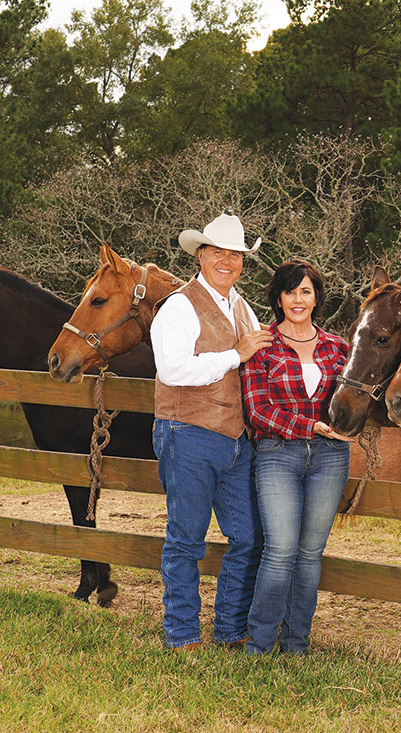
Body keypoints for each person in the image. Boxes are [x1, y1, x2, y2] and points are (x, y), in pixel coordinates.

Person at [150, 213, 273, 651]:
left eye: (235, 255)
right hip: (187, 433)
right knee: (186, 538)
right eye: (217, 252)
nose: (227, 261)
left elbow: (263, 361)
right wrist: (235, 354)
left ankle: (229, 630)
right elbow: (173, 369)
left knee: (249, 536)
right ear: (200, 255)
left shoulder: (243, 306)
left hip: (236, 441)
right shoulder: (179, 306)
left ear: (243, 261)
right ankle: (181, 635)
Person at [241, 259, 352, 656]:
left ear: (317, 297)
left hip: (331, 457)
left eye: (306, 291)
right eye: (291, 291)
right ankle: (259, 643)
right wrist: (310, 427)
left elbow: (356, 398)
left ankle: (295, 644)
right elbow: (257, 411)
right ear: (278, 298)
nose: (298, 299)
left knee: (309, 554)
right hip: (277, 455)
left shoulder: (338, 347)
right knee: (280, 549)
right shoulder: (262, 345)